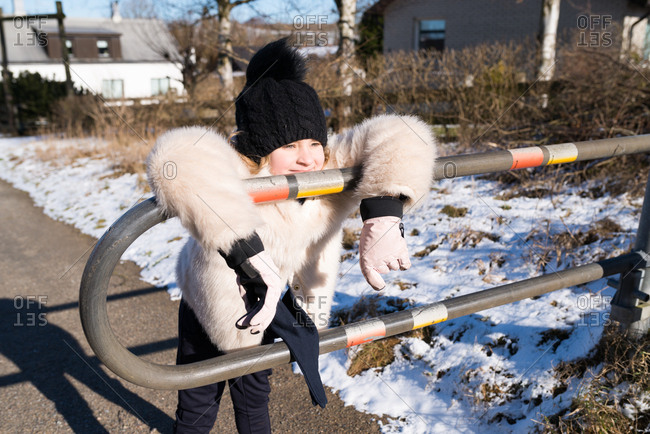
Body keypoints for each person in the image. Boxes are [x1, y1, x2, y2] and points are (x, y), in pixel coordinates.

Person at [146, 37, 437, 434]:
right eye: (290, 145)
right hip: (207, 299)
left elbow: (402, 133)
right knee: (197, 403)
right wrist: (243, 248)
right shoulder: (241, 169)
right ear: (261, 149)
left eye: (315, 142)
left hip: (267, 308)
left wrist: (384, 211)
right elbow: (175, 158)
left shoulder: (329, 170)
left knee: (254, 400)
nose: (307, 157)